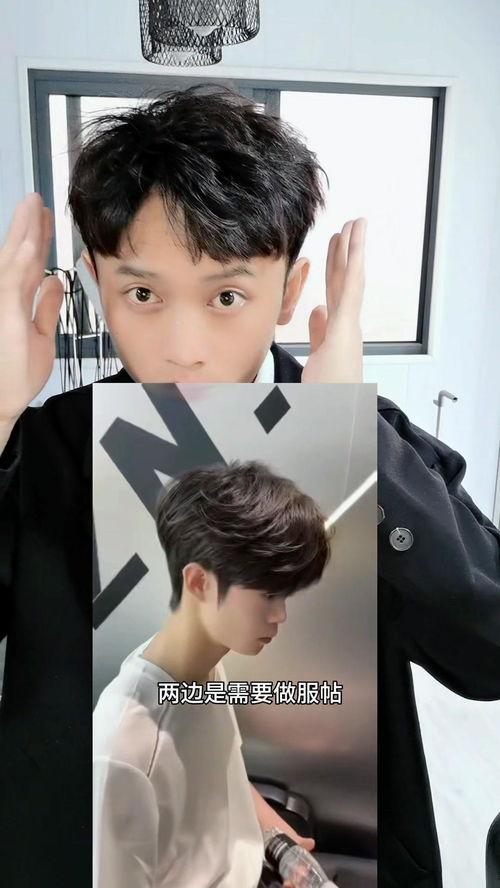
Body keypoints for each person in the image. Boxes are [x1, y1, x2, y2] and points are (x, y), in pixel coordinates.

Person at [0, 84, 498, 887]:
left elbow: (488, 653)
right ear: (95, 279)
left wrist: (349, 439)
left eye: (227, 296)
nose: (184, 346)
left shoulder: (370, 439)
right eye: (142, 293)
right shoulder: (47, 449)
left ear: (290, 292)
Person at [93, 459, 331, 888]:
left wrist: (279, 839)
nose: (280, 615)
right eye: (268, 594)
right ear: (200, 582)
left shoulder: (204, 666)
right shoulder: (123, 752)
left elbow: (224, 771)